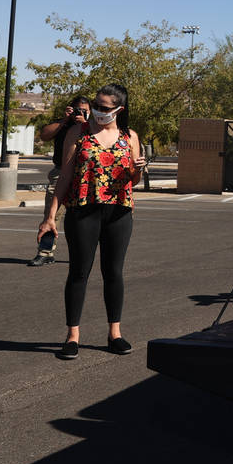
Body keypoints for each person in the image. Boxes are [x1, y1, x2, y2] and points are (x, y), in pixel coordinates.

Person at [36, 84, 147, 360]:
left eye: (105, 107)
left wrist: (138, 170)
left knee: (114, 272)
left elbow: (132, 180)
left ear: (119, 109)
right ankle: (72, 335)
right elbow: (64, 176)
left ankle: (115, 333)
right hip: (83, 211)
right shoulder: (78, 132)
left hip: (119, 212)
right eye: (97, 105)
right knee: (79, 272)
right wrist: (50, 216)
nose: (98, 111)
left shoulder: (129, 136)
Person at [29, 95, 90, 266]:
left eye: (85, 111)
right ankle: (45, 252)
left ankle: (83, 254)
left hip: (85, 175)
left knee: (85, 217)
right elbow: (44, 135)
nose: (80, 113)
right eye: (77, 109)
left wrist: (83, 124)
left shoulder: (94, 127)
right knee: (51, 213)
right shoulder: (63, 124)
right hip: (60, 172)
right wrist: (65, 120)